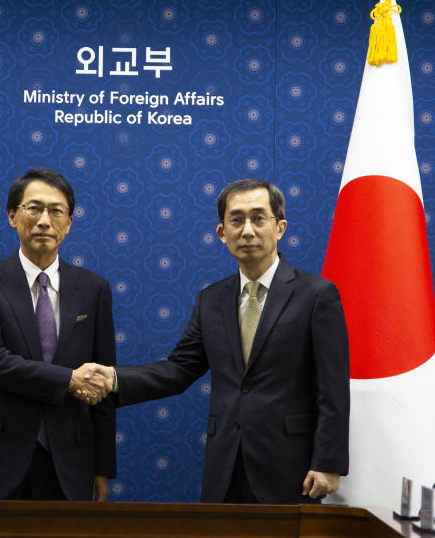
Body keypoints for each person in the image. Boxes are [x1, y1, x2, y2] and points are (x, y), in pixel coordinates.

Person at [85, 178, 349, 503]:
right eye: (236, 220)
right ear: (222, 233)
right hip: (225, 465)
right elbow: (180, 369)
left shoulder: (317, 295)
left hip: (290, 468)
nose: (247, 230)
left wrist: (328, 464)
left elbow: (332, 389)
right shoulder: (212, 299)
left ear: (280, 227)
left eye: (258, 218)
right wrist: (114, 378)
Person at [0, 168, 115, 501]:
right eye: (34, 208)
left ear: (69, 222)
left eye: (56, 211)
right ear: (12, 216)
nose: (44, 220)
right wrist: (69, 379)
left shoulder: (93, 289)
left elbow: (101, 381)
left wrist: (102, 467)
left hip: (70, 462)